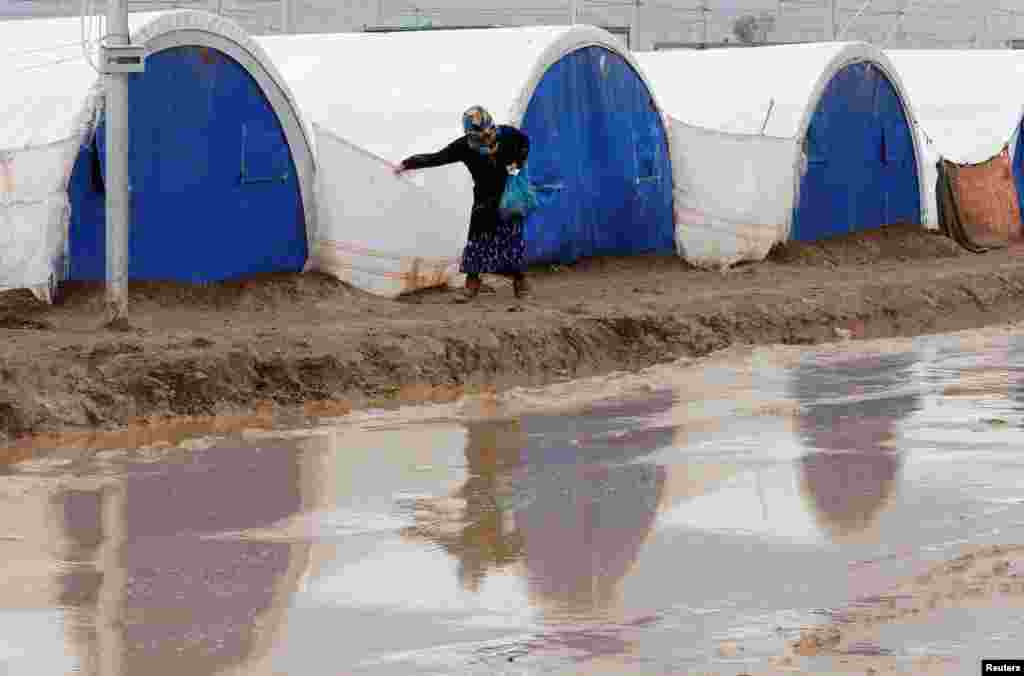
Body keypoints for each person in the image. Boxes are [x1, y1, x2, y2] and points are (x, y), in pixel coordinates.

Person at [394, 106, 532, 302]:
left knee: (511, 239)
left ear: (492, 126)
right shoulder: (464, 146)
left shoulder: (508, 134)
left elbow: (524, 141)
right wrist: (407, 163)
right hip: (484, 199)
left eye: (489, 133)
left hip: (508, 198)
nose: (487, 138)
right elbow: (437, 158)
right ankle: (472, 285)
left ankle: (520, 282)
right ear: (470, 134)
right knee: (477, 240)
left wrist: (517, 163)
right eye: (480, 135)